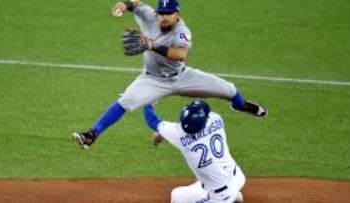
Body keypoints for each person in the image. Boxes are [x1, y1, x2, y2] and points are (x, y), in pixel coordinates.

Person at [72, 0, 267, 150]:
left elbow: (180, 55)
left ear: (178, 14)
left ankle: (241, 106)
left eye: (169, 13)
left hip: (182, 78)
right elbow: (137, 4)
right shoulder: (150, 17)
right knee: (125, 101)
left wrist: (152, 45)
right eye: (161, 13)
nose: (164, 17)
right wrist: (124, 5)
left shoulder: (183, 31)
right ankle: (91, 135)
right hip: (152, 80)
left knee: (229, 90)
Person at [143, 100, 246, 203]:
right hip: (237, 177)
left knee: (176, 196)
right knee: (203, 184)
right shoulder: (216, 118)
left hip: (218, 196)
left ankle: (229, 198)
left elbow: (152, 121)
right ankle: (235, 196)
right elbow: (201, 121)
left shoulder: (178, 135)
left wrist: (147, 104)